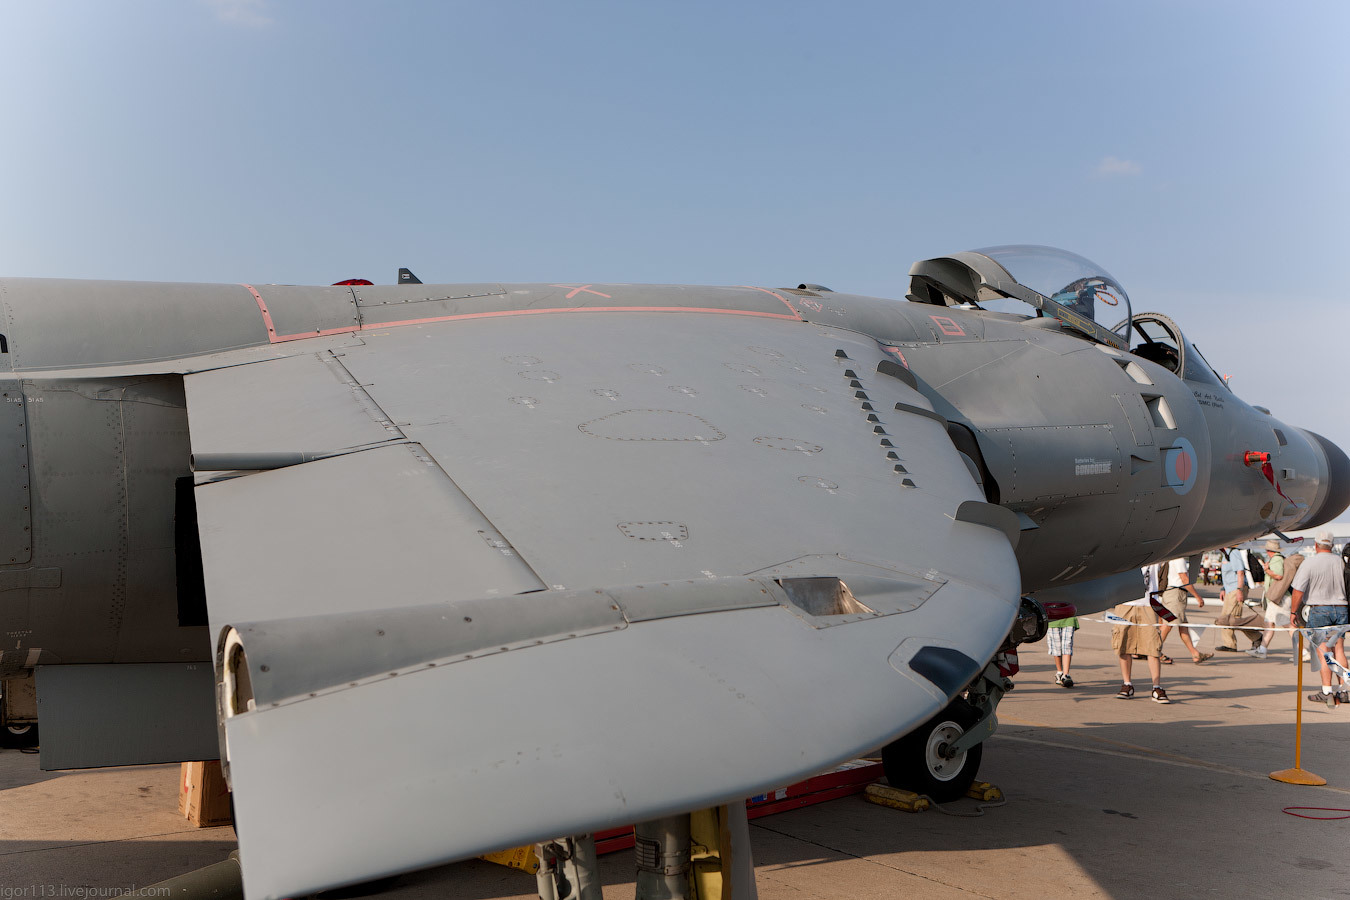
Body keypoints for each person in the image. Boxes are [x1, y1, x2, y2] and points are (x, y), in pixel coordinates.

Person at [1289, 531, 1349, 707]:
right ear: (1331, 545)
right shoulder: (1339, 561)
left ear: (1316, 545)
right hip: (1341, 609)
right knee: (1339, 649)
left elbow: (1298, 590)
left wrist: (1293, 612)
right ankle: (1344, 689)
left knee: (1323, 651)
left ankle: (1326, 691)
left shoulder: (1310, 562)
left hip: (1319, 609)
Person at [1112, 563, 1170, 703]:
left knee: (1153, 647)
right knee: (1123, 644)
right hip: (1124, 603)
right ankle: (1127, 684)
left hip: (1148, 603)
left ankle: (1156, 687)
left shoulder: (1160, 553)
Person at [1249, 539, 1303, 658]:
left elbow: (1279, 575)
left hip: (1279, 599)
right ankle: (1262, 650)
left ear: (1269, 551)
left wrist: (1267, 570)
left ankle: (1302, 651)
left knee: (1287, 625)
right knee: (1270, 624)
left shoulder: (1276, 560)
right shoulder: (1279, 558)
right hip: (1279, 599)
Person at [1156, 557, 1213, 665]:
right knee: (1168, 625)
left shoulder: (1172, 558)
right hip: (1175, 595)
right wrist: (1197, 596)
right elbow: (1184, 579)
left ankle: (1195, 654)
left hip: (1173, 594)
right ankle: (1154, 651)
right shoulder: (1179, 558)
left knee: (1183, 626)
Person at [1216, 546, 1257, 651]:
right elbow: (1227, 574)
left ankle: (1257, 637)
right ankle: (1229, 644)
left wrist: (1239, 590)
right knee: (1225, 618)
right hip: (1230, 589)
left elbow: (1240, 572)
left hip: (1236, 589)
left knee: (1234, 619)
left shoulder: (1234, 553)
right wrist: (1223, 588)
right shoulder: (1225, 555)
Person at [1047, 610, 1079, 687]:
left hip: (1069, 617)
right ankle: (1060, 672)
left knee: (1067, 645)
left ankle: (1066, 675)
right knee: (1056, 647)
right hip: (1053, 618)